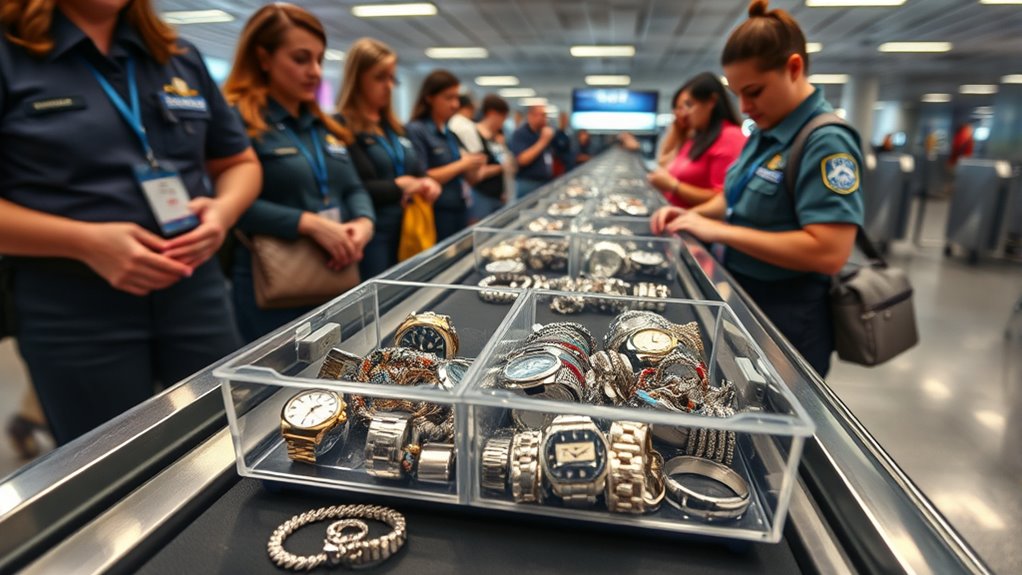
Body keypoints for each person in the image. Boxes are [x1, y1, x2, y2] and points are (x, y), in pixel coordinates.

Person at [0, 0, 260, 443]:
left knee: (225, 437)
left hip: (193, 289)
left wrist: (222, 211)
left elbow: (240, 162)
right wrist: (84, 242)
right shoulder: (11, 55)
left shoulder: (177, 56)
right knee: (107, 464)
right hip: (73, 304)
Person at [651, 0, 864, 377]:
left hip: (790, 312)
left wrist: (719, 232)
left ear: (794, 68)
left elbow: (829, 251)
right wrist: (691, 215)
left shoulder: (825, 141)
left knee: (774, 426)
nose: (745, 106)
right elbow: (733, 196)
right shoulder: (766, 133)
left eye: (754, 91)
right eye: (737, 95)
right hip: (746, 295)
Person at [223, 4, 376, 343]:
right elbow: (228, 206)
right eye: (301, 59)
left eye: (320, 59)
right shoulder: (237, 123)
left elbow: (353, 187)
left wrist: (363, 224)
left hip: (336, 269)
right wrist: (308, 223)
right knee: (272, 389)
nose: (315, 71)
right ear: (264, 58)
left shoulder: (325, 127)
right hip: (273, 281)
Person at [336, 37, 440, 278]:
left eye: (392, 78)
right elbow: (355, 186)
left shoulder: (394, 128)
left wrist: (426, 181)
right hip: (374, 234)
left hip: (409, 228)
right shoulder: (342, 127)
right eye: (380, 77)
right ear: (357, 78)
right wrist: (399, 187)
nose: (389, 86)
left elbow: (414, 167)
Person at [405, 70, 486, 241]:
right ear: (429, 98)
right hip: (436, 213)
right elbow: (422, 177)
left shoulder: (450, 133)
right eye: (448, 98)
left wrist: (473, 167)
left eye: (457, 98)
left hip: (459, 207)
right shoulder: (417, 130)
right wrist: (462, 165)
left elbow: (465, 176)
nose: (455, 104)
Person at [648, 73, 746, 209]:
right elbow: (664, 163)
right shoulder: (697, 137)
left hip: (696, 225)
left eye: (689, 105)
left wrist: (674, 186)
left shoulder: (730, 137)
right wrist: (677, 129)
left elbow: (723, 199)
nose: (684, 114)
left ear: (711, 101)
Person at [469, 94, 514, 223]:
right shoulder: (474, 133)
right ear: (492, 113)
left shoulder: (497, 137)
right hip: (481, 195)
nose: (503, 122)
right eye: (502, 117)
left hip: (498, 195)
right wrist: (500, 168)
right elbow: (478, 172)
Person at [509, 104, 555, 199]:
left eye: (545, 115)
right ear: (531, 116)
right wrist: (543, 141)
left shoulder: (541, 132)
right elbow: (522, 160)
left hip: (544, 181)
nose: (545, 118)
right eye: (542, 115)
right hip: (528, 183)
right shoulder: (520, 134)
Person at [658, 92, 691, 167]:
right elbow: (661, 162)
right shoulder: (674, 131)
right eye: (677, 108)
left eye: (682, 108)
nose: (678, 113)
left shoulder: (696, 137)